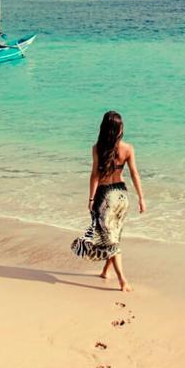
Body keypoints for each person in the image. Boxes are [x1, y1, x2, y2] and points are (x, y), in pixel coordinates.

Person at [71, 110, 145, 292]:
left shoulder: (97, 148)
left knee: (110, 239)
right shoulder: (128, 149)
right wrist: (141, 198)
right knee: (112, 236)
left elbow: (95, 175)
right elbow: (135, 174)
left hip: (105, 197)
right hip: (121, 196)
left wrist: (91, 198)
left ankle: (122, 281)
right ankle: (105, 270)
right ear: (119, 129)